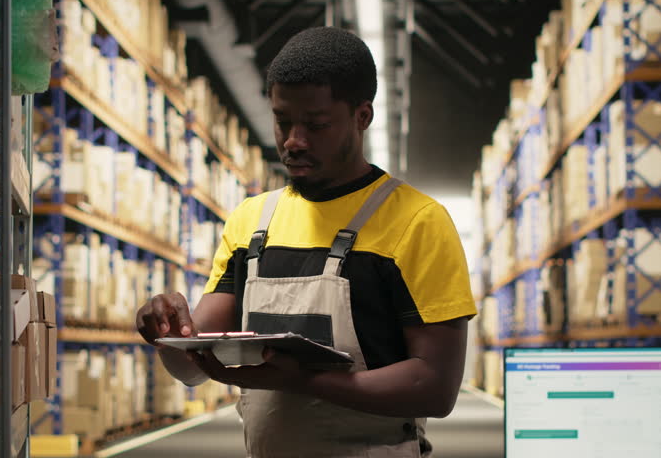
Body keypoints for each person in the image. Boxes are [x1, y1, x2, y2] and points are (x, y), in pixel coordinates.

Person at [136, 26, 477, 458]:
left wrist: (301, 381)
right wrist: (168, 333)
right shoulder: (251, 222)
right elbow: (192, 368)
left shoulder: (418, 222)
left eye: (316, 125)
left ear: (362, 116)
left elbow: (435, 386)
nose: (293, 141)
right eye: (282, 121)